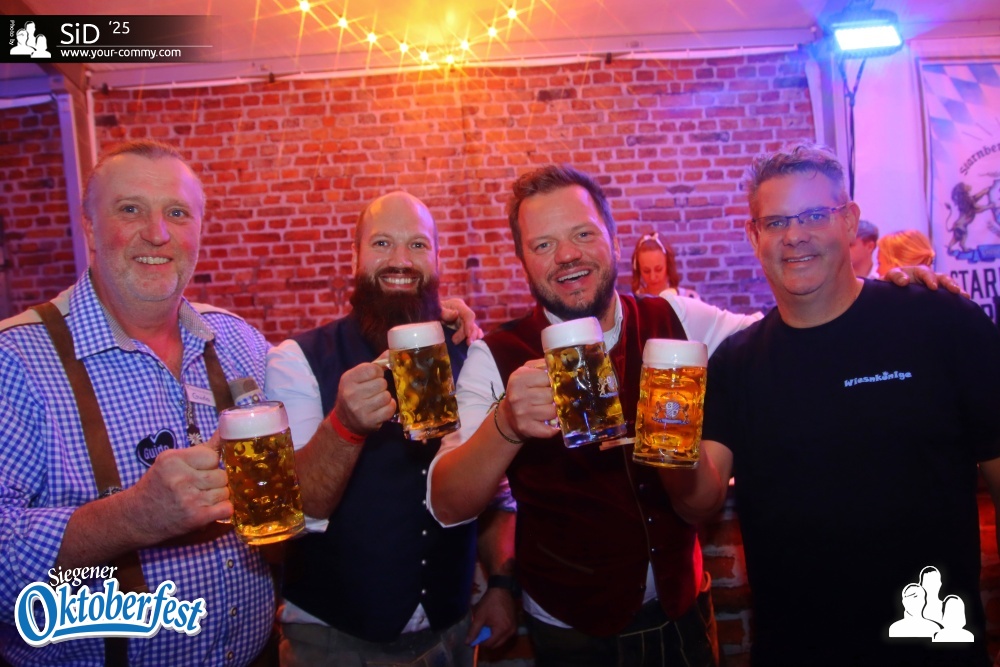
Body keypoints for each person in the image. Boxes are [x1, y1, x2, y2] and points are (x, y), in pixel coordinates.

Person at [427, 164, 790, 667]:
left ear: (614, 240)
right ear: (523, 260)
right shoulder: (497, 355)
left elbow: (779, 332)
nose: (567, 255)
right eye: (544, 244)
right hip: (572, 633)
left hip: (683, 611)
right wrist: (505, 424)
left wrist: (880, 293)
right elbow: (446, 503)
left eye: (583, 234)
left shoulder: (674, 317)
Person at [693, 144, 1000, 666]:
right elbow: (698, 502)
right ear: (754, 236)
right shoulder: (736, 364)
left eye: (815, 215)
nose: (794, 235)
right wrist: (661, 436)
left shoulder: (941, 323)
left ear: (850, 221)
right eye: (775, 222)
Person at [0, 140, 276, 665]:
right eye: (130, 210)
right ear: (89, 229)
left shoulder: (238, 341)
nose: (157, 233)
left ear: (200, 229)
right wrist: (130, 518)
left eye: (178, 213)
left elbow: (308, 449)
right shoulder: (14, 361)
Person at [266, 191, 516, 666]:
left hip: (451, 631)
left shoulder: (470, 355)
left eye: (418, 245)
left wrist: (502, 583)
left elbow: (498, 496)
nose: (400, 260)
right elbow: (295, 511)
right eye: (382, 243)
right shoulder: (298, 360)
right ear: (354, 257)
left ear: (437, 261)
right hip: (333, 641)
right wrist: (344, 426)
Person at [631, 232, 700, 299]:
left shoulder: (688, 298)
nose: (652, 277)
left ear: (668, 265)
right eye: (646, 271)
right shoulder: (633, 302)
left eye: (658, 269)